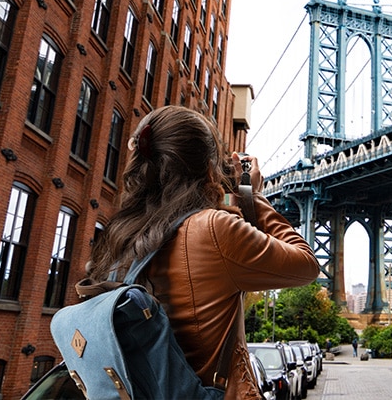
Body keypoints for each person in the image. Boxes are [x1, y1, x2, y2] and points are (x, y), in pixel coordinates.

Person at [85, 105, 319, 400]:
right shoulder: (214, 229)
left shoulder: (119, 237)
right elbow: (307, 265)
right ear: (209, 168)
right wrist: (253, 195)